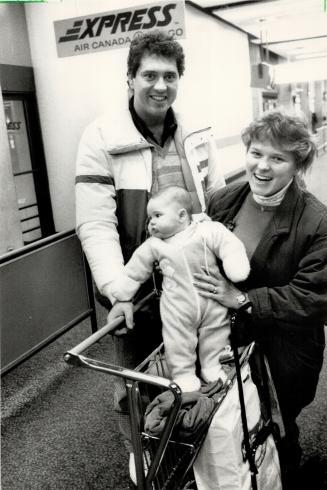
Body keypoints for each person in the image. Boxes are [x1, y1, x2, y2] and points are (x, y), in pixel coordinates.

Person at [75, 31, 224, 481]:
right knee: (136, 383)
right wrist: (115, 290)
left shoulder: (196, 132)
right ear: (131, 78)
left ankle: (194, 460)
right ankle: (145, 461)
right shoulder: (102, 136)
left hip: (191, 283)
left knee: (196, 371)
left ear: (180, 79)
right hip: (137, 290)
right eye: (150, 75)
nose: (161, 85)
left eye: (170, 76)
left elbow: (212, 202)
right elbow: (97, 224)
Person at [193, 110, 327, 488]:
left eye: (278, 158)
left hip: (284, 350)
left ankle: (289, 475)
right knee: (235, 423)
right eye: (256, 153)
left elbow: (314, 297)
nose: (262, 167)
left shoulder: (316, 222)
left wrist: (243, 300)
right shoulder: (224, 201)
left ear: (297, 164)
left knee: (278, 427)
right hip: (227, 343)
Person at [110, 186, 250, 392]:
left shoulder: (205, 230)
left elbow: (229, 245)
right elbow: (134, 271)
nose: (152, 222)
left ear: (182, 215)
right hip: (177, 307)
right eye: (150, 218)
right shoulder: (154, 246)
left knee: (216, 333)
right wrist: (122, 295)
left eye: (158, 215)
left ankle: (212, 366)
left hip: (211, 301)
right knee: (177, 342)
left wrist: (235, 265)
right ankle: (183, 374)